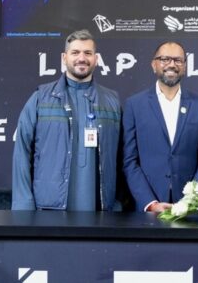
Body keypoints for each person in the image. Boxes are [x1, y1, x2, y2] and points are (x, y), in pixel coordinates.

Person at [12, 30, 124, 211]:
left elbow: (123, 158)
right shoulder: (40, 98)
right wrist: (23, 206)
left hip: (101, 212)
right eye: (75, 52)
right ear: (64, 58)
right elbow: (22, 153)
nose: (82, 58)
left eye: (88, 53)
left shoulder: (112, 102)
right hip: (48, 212)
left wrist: (118, 205)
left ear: (96, 59)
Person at [122, 41, 198, 212]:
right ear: (154, 64)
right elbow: (129, 161)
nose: (172, 64)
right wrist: (150, 203)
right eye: (165, 59)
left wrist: (190, 200)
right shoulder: (134, 105)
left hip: (190, 209)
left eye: (178, 60)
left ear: (185, 66)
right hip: (148, 210)